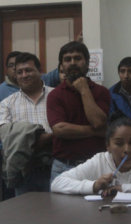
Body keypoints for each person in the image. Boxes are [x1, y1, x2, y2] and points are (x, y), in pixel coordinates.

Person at [0, 51, 60, 200]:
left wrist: (22, 134)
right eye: (20, 72)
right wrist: (38, 135)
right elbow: (1, 132)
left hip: (56, 164)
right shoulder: (7, 103)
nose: (24, 75)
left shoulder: (57, 96)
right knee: (26, 213)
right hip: (24, 167)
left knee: (58, 211)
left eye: (29, 70)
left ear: (40, 71)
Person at [51, 117, 131, 195]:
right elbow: (57, 183)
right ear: (108, 146)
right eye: (119, 143)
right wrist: (94, 185)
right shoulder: (100, 161)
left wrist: (123, 188)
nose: (127, 150)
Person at [47, 41, 110, 181]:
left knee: (98, 204)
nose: (73, 62)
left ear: (87, 63)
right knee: (59, 204)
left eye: (78, 58)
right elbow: (60, 130)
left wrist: (84, 89)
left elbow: (98, 122)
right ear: (62, 66)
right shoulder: (54, 95)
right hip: (64, 167)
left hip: (96, 166)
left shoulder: (102, 92)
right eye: (67, 59)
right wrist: (94, 131)